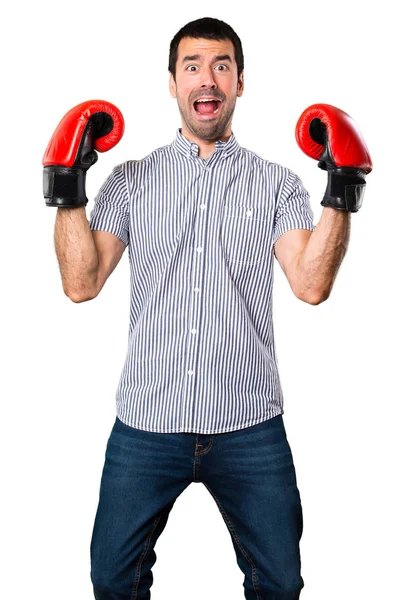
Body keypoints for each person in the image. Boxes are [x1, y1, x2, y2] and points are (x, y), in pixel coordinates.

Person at [44, 16, 371, 600]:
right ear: (172, 82)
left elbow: (311, 284)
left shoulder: (276, 184)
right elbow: (81, 282)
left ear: (240, 82)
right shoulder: (130, 180)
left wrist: (341, 188)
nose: (208, 79)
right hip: (146, 424)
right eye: (192, 66)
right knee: (112, 579)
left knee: (280, 581)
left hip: (250, 427)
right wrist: (65, 184)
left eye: (222, 66)